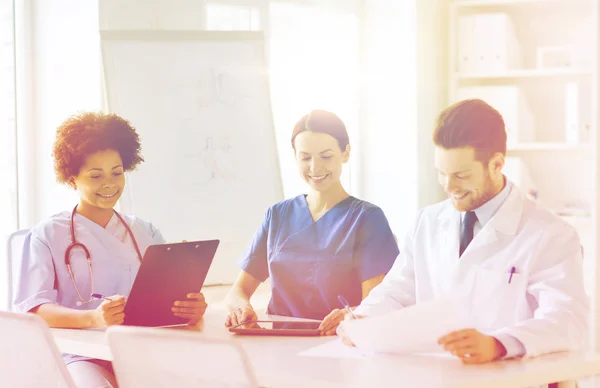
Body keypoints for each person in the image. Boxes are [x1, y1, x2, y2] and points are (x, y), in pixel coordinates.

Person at [340, 99, 589, 364]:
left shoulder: (550, 234)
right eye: (442, 173)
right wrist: (364, 319)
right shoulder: (428, 222)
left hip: (507, 377)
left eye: (461, 175)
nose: (449, 186)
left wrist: (498, 344)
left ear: (496, 164)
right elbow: (397, 289)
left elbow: (567, 319)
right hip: (433, 374)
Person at [12, 112, 207, 387]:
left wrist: (190, 308)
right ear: (71, 179)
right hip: (81, 355)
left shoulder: (145, 231)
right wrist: (92, 317)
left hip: (143, 350)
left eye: (117, 172)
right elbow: (33, 309)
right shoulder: (48, 234)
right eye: (95, 175)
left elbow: (167, 298)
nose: (109, 184)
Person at [224, 110, 399, 335]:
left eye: (326, 156)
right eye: (305, 157)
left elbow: (376, 305)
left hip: (337, 342)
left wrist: (351, 315)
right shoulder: (277, 215)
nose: (315, 167)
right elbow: (238, 291)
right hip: (276, 342)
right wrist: (240, 308)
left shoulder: (367, 219)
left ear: (345, 153)